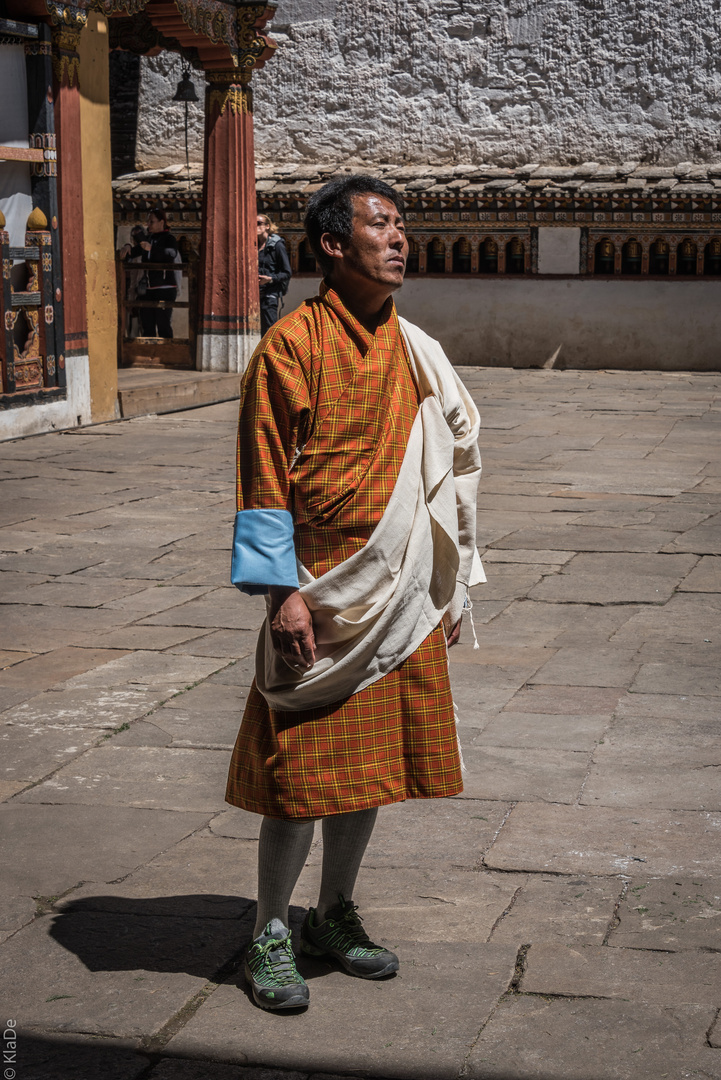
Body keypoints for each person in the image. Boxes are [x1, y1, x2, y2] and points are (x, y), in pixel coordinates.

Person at [228, 175, 484, 1012]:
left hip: (400, 583)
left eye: (401, 225)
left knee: (369, 771)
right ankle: (270, 930)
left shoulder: (414, 347)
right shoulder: (290, 347)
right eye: (381, 225)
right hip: (320, 587)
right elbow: (263, 481)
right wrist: (282, 598)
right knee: (298, 774)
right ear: (334, 245)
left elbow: (451, 463)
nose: (399, 238)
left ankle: (332, 913)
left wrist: (442, 584)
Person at [120, 207, 178, 338]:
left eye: (152, 221)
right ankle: (148, 356)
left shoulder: (169, 239)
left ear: (161, 222)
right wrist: (127, 246)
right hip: (147, 289)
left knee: (163, 325)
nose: (148, 224)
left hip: (165, 288)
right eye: (148, 222)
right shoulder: (148, 238)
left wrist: (152, 249)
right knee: (147, 325)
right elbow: (134, 252)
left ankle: (166, 354)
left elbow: (171, 254)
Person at [257, 213, 292, 335]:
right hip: (254, 296)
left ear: (267, 226)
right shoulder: (252, 245)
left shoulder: (277, 245)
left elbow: (287, 272)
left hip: (269, 295)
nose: (255, 226)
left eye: (259, 223)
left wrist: (270, 279)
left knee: (269, 331)